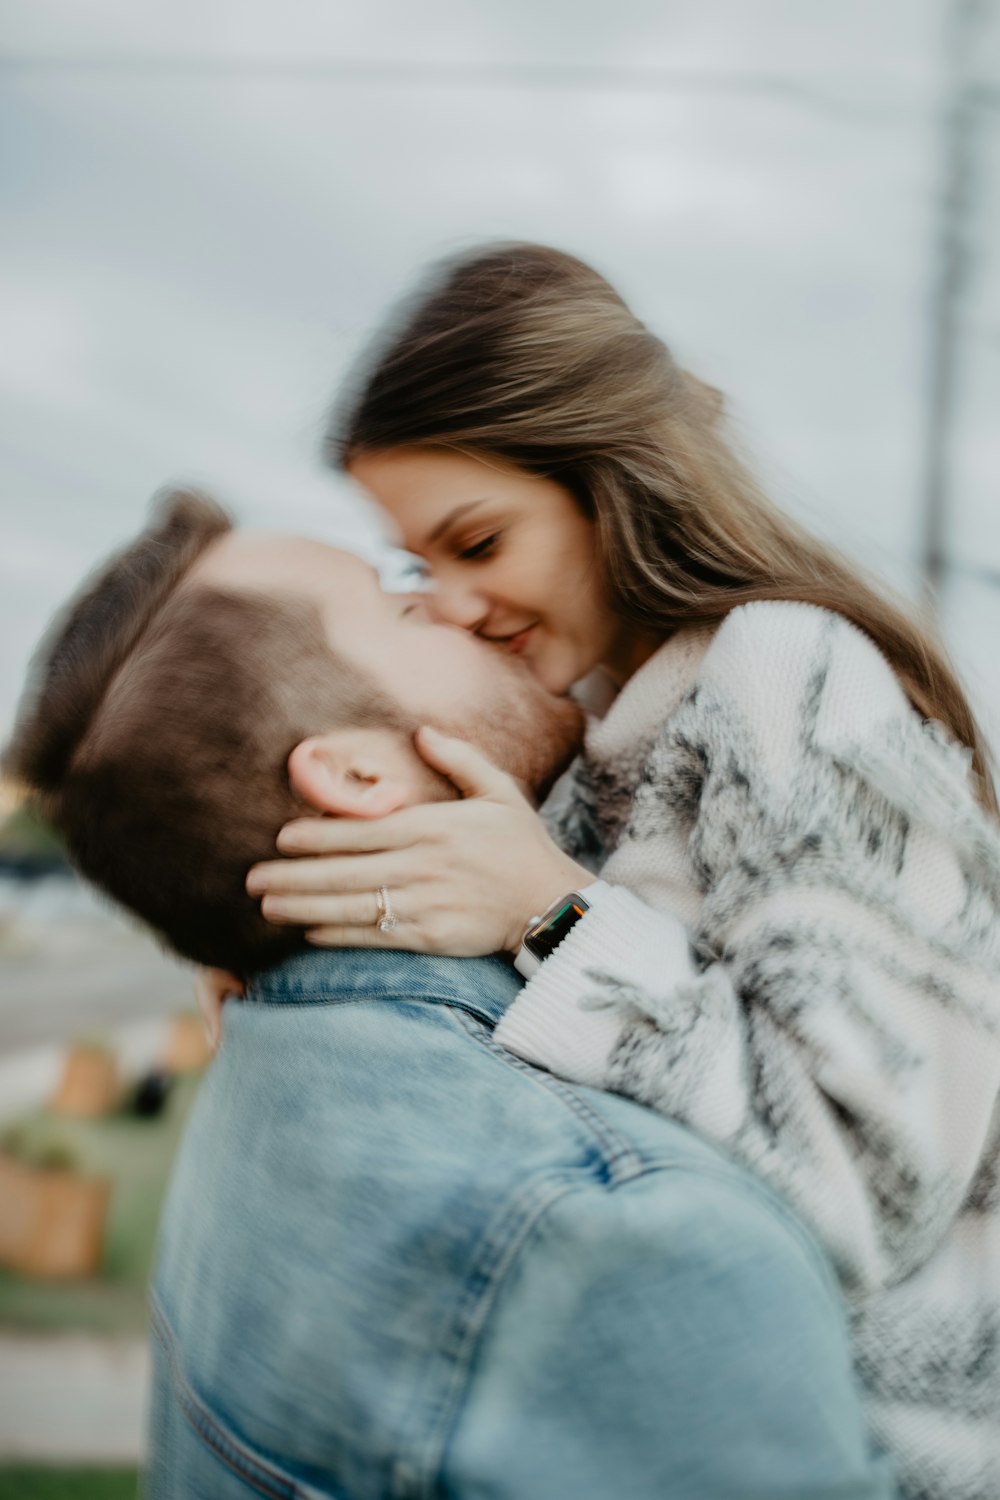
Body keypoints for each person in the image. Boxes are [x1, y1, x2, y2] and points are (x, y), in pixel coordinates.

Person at [238, 243, 1000, 1500]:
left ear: (613, 480)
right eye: (419, 565)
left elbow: (874, 1180)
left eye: (476, 540)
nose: (450, 603)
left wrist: (553, 912)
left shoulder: (781, 672)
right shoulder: (590, 737)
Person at [3, 492, 893, 1499]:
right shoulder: (615, 1230)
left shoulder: (251, 1077)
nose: (455, 607)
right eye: (397, 604)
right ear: (352, 773)